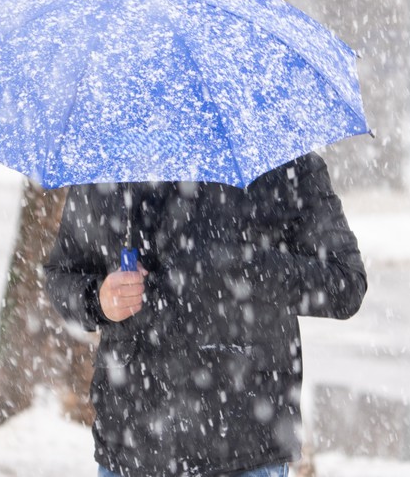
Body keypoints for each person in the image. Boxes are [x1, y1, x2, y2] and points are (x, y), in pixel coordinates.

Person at [45, 151, 366, 477]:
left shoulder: (280, 162)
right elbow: (61, 274)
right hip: (131, 443)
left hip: (243, 443)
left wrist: (249, 268)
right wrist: (98, 299)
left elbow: (346, 284)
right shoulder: (112, 161)